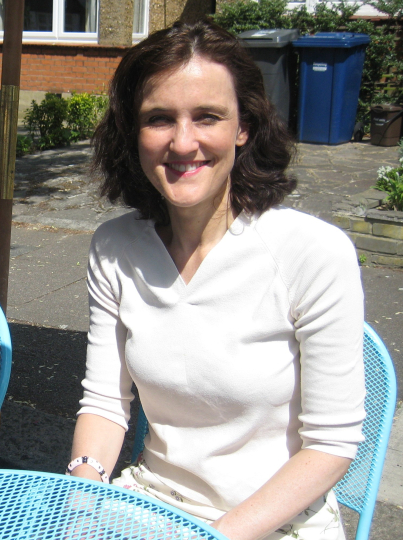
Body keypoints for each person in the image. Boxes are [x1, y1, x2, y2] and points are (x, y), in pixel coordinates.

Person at [68, 21, 365, 540]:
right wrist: (81, 494)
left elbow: (331, 444)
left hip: (276, 522)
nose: (184, 143)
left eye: (207, 116)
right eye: (159, 119)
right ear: (132, 133)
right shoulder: (114, 249)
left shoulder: (312, 253)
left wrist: (215, 536)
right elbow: (105, 403)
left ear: (243, 127)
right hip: (152, 504)